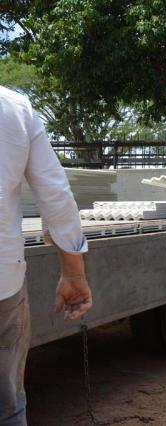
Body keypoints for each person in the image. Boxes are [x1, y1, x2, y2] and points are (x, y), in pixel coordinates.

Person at [0, 85, 93, 424]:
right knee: (7, 405)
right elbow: (55, 195)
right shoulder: (15, 108)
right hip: (2, 284)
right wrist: (73, 274)